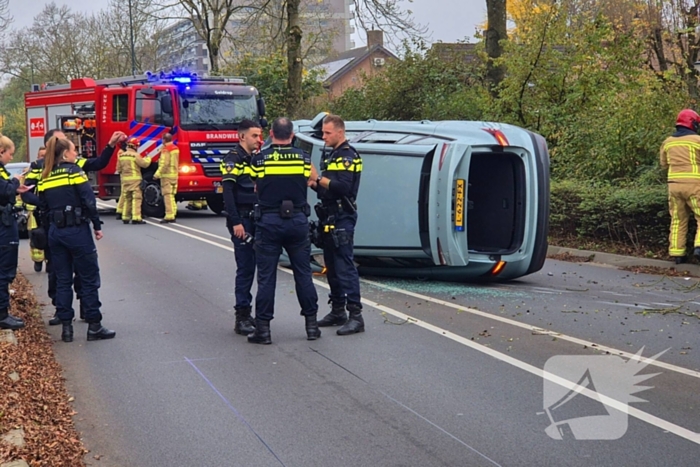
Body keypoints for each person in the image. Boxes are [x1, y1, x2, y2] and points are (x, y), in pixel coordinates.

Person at [25, 129, 126, 326]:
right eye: (64, 142)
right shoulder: (41, 168)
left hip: (56, 228)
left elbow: (98, 163)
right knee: (64, 273)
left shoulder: (62, 168)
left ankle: (71, 321)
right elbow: (27, 192)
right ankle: (83, 319)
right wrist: (44, 206)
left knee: (68, 276)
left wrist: (110, 145)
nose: (71, 149)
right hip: (61, 227)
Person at [246, 117, 320, 344]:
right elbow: (313, 179)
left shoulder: (260, 159)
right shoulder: (303, 158)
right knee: (303, 274)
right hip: (297, 220)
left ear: (271, 133)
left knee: (267, 278)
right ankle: (312, 326)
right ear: (293, 135)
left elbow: (255, 184)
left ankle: (264, 330)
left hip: (269, 221)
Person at [308, 114, 365, 335]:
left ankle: (356, 315)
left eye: (327, 133)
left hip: (343, 217)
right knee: (331, 264)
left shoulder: (347, 156)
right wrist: (314, 184)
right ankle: (338, 310)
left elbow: (342, 187)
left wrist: (318, 177)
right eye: (323, 132)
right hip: (329, 216)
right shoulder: (333, 154)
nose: (324, 137)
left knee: (344, 265)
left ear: (340, 132)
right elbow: (327, 190)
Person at [220, 119, 262, 335]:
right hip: (242, 220)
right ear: (242, 136)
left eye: (259, 135)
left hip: (256, 218)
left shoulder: (253, 159)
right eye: (254, 136)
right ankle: (242, 316)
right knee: (245, 269)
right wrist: (236, 221)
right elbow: (227, 193)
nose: (258, 139)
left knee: (257, 267)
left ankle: (251, 313)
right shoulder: (233, 159)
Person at [660, 109, 700, 264]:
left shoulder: (667, 142)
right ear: (693, 123)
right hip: (695, 185)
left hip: (674, 187)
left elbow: (664, 164)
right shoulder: (697, 140)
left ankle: (678, 254)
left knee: (678, 219)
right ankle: (699, 247)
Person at [0, 135, 30, 330]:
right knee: (4, 270)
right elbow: (3, 192)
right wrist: (15, 182)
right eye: (10, 154)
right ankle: (2, 315)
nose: (11, 158)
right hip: (3, 227)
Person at [117, 137, 151, 224]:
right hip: (135, 180)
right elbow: (144, 164)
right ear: (135, 146)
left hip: (125, 181)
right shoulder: (135, 155)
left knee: (127, 198)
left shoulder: (122, 156)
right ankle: (136, 218)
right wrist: (148, 158)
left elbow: (118, 169)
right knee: (137, 198)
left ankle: (125, 217)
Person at [26, 147, 46, 272]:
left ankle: (49, 261)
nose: (43, 158)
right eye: (41, 156)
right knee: (36, 238)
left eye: (45, 155)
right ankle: (37, 262)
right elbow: (25, 190)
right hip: (33, 211)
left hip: (46, 211)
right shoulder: (32, 171)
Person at [153, 133, 179, 224]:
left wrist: (157, 174)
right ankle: (173, 213)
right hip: (174, 175)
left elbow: (164, 164)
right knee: (171, 195)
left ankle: (169, 216)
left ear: (164, 140)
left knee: (167, 196)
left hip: (166, 175)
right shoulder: (175, 148)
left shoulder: (166, 149)